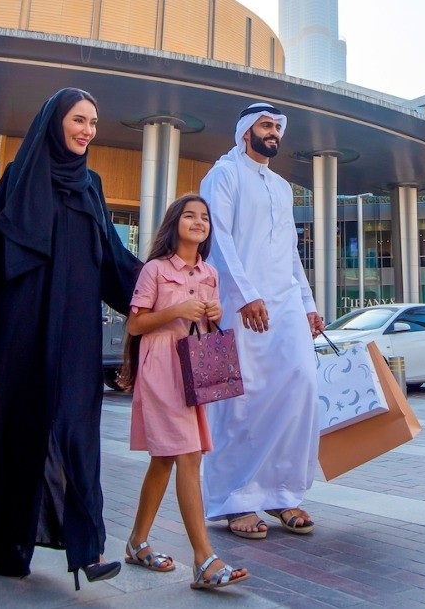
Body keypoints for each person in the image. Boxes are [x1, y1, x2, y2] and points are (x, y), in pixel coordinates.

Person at [0, 88, 142, 589]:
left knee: (76, 430)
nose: (88, 130)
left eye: (94, 122)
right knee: (14, 435)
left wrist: (170, 285)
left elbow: (114, 260)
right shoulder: (19, 178)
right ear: (55, 121)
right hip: (22, 329)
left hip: (75, 336)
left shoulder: (91, 186)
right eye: (79, 119)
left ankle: (88, 549)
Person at [200, 102, 323, 539]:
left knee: (302, 382)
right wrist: (245, 294)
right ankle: (235, 500)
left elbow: (290, 249)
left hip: (285, 301)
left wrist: (308, 302)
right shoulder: (224, 174)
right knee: (239, 401)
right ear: (245, 131)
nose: (273, 133)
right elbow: (220, 239)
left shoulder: (283, 186)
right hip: (238, 303)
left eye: (277, 127)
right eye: (265, 125)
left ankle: (282, 492)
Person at [120, 194, 248, 590]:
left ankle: (137, 543)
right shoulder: (155, 270)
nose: (199, 222)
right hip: (161, 369)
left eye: (204, 218)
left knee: (164, 460)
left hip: (193, 371)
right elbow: (135, 326)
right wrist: (177, 310)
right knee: (188, 457)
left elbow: (205, 328)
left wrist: (214, 315)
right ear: (175, 222)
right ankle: (204, 559)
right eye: (190, 215)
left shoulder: (210, 273)